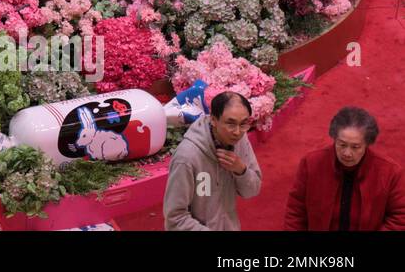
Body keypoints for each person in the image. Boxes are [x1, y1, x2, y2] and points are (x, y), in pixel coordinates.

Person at [284, 106, 405, 231]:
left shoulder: (390, 172)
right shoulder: (311, 163)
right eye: (342, 145)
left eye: (355, 147)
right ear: (334, 139)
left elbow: (400, 216)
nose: (347, 153)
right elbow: (295, 211)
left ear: (367, 144)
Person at [164, 91, 262, 231]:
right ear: (213, 120)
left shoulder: (240, 139)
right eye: (230, 123)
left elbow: (252, 191)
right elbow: (175, 219)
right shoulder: (187, 157)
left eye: (243, 124)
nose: (237, 132)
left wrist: (241, 170)